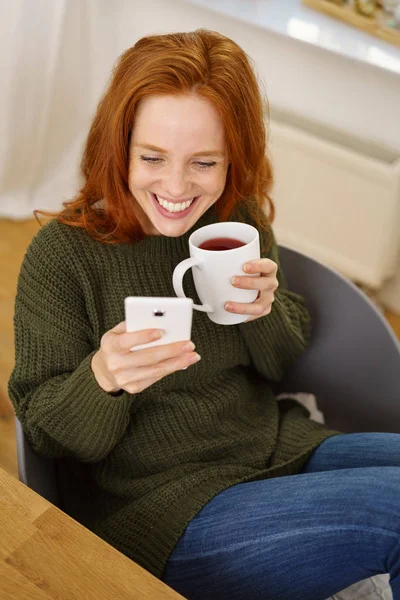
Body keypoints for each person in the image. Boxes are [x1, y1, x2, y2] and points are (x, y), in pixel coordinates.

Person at [8, 29, 400, 600]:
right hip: (161, 511)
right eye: (151, 157)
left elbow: (279, 363)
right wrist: (104, 378)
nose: (174, 186)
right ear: (118, 148)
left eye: (203, 162)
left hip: (274, 446)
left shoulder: (234, 223)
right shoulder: (64, 257)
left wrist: (261, 311)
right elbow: (44, 435)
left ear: (232, 158)